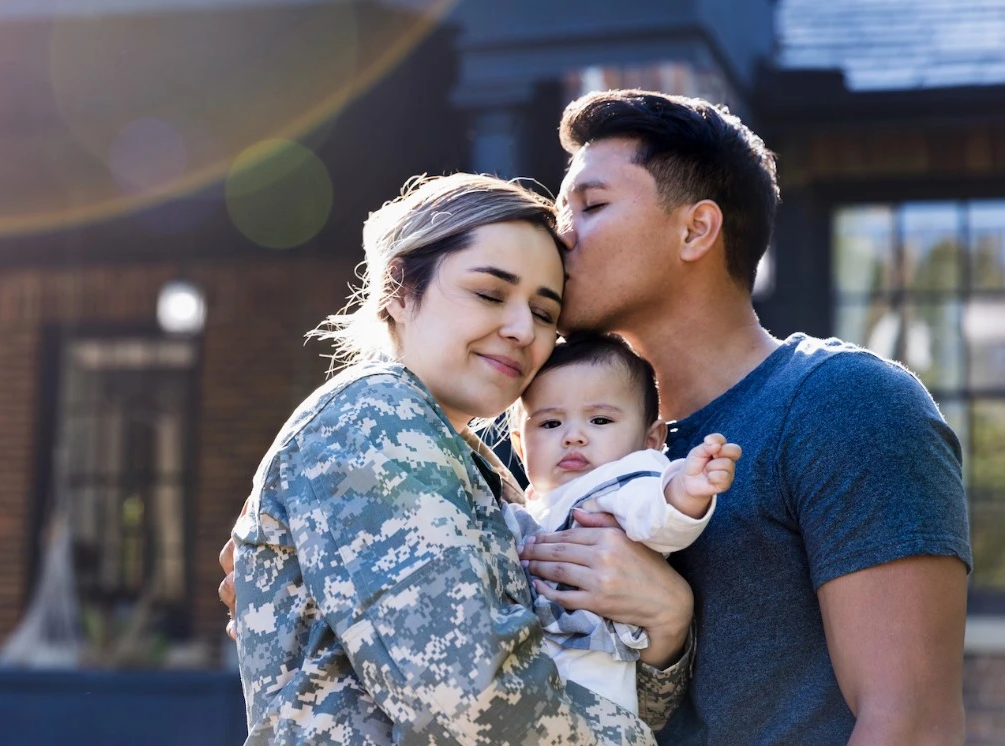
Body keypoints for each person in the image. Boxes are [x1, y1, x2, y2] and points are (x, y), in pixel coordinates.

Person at [518, 89, 972, 744]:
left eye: (590, 206)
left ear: (696, 229)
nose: (560, 235)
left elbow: (913, 724)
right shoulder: (554, 438)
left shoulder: (844, 404)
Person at [229, 173, 693, 744]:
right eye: (490, 294)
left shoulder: (470, 462)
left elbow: (576, 688)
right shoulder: (374, 419)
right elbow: (475, 708)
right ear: (399, 290)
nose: (524, 329)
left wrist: (667, 624)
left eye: (546, 313)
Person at [501, 332, 740, 717]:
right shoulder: (534, 502)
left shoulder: (621, 479)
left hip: (592, 681)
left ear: (651, 440)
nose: (573, 436)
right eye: (549, 424)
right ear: (519, 443)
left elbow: (656, 517)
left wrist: (686, 490)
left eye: (599, 420)